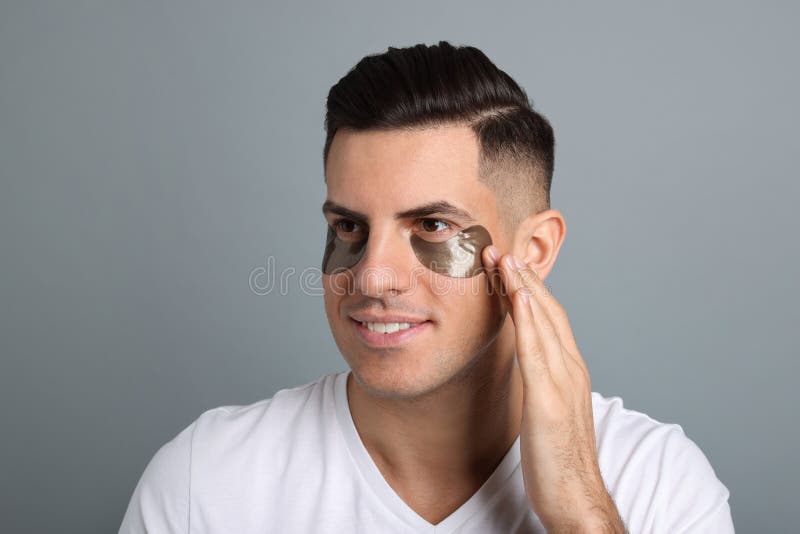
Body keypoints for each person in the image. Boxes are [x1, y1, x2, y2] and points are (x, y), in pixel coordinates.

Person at [118, 41, 734, 533]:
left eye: (433, 225)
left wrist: (579, 513)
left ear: (534, 251)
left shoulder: (657, 486)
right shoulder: (207, 482)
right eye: (349, 226)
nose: (372, 275)